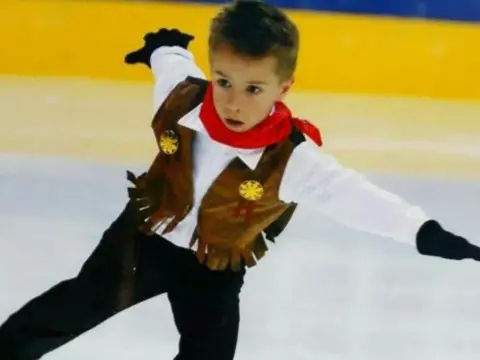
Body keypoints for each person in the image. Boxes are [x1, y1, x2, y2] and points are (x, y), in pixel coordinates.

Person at [0, 1, 479, 359]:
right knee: (72, 308)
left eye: (253, 89)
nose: (232, 101)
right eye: (224, 80)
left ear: (282, 88)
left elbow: (359, 199)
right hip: (142, 237)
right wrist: (161, 46)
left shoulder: (292, 159)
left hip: (216, 265)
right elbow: (171, 59)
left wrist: (424, 232)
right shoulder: (183, 98)